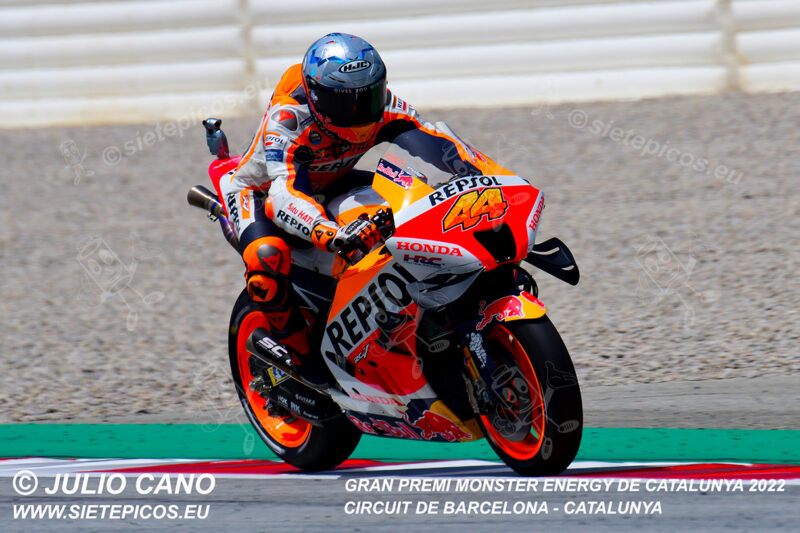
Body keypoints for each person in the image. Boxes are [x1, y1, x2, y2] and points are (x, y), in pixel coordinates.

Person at [219, 32, 505, 387]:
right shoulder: (289, 120)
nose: (361, 112)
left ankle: (405, 327)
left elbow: (433, 144)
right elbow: (284, 194)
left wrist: (481, 176)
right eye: (345, 104)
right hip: (259, 193)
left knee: (398, 221)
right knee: (267, 257)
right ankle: (303, 361)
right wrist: (329, 233)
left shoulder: (385, 105)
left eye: (368, 96)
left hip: (332, 182)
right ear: (316, 96)